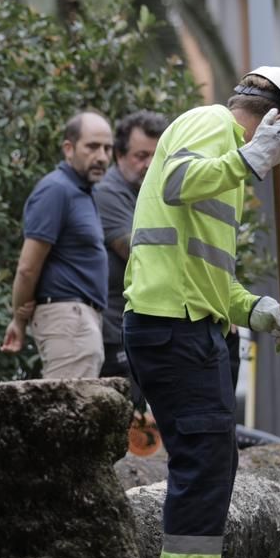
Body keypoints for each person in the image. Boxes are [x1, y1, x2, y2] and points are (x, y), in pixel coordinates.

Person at [122, 67, 280, 558]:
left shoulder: (228, 171)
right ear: (278, 126)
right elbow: (179, 182)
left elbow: (213, 281)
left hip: (191, 328)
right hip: (171, 328)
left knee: (210, 463)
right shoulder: (210, 127)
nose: (274, 166)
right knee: (204, 464)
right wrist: (250, 160)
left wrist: (261, 311)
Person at [0, 112, 113, 379]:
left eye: (108, 148)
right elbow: (27, 267)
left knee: (77, 412)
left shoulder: (84, 192)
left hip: (81, 319)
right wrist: (18, 318)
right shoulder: (56, 190)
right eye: (92, 146)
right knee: (69, 414)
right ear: (68, 148)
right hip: (68, 319)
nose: (102, 157)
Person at [93, 110, 167, 381]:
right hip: (113, 332)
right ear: (119, 156)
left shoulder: (155, 191)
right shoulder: (107, 193)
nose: (150, 164)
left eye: (156, 156)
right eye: (141, 156)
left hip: (143, 327)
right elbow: (142, 255)